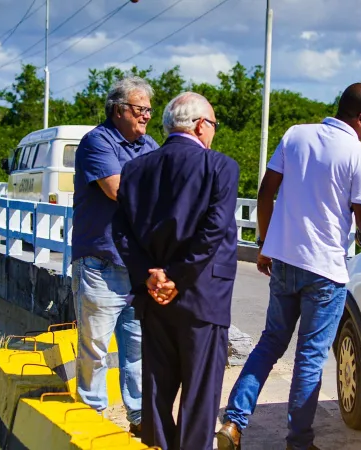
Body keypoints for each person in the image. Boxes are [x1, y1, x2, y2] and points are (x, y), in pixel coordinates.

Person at [216, 83, 361, 450]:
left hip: (284, 261)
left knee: (269, 345)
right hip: (326, 272)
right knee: (309, 359)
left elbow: (266, 191)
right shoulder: (360, 155)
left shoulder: (295, 136)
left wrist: (265, 244)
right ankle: (299, 442)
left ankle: (233, 424)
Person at [113, 91, 239, 450]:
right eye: (213, 125)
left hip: (153, 297)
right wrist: (176, 277)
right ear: (201, 125)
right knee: (200, 394)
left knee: (156, 388)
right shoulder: (220, 166)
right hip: (203, 296)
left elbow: (121, 231)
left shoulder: (136, 169)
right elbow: (213, 230)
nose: (213, 132)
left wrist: (151, 276)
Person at [70, 75, 158, 434]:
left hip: (136, 267)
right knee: (95, 350)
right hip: (100, 264)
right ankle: (93, 421)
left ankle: (140, 419)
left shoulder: (149, 144)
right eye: (141, 110)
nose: (147, 117)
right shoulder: (97, 142)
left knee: (137, 350)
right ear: (119, 110)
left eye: (150, 111)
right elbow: (117, 190)